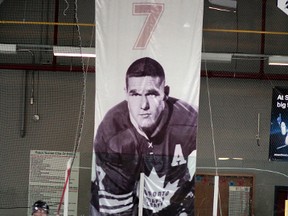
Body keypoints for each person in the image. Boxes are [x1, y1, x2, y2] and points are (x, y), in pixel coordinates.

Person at [91, 57, 198, 215]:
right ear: (126, 94)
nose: (143, 105)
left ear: (165, 93)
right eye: (135, 94)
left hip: (175, 198)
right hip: (124, 199)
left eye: (152, 94)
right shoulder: (112, 132)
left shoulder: (189, 121)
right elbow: (117, 208)